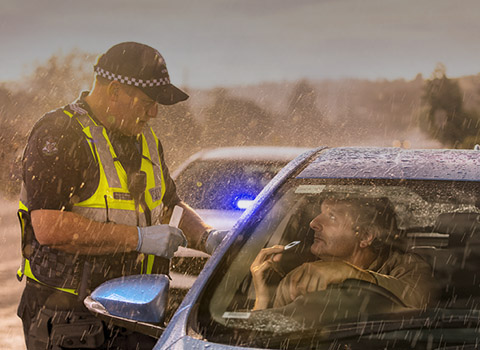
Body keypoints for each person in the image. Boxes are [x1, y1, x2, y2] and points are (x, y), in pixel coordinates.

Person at [16, 42, 226, 349]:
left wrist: (209, 238)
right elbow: (49, 227)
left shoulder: (145, 139)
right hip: (69, 316)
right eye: (147, 102)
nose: (153, 113)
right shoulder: (60, 133)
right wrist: (139, 238)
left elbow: (168, 206)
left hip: (136, 313)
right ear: (115, 91)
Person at [250, 197, 437, 311]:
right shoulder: (301, 277)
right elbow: (265, 342)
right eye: (319, 213)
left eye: (331, 216)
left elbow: (417, 305)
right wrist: (262, 299)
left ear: (365, 236)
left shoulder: (407, 267)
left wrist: (350, 274)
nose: (313, 223)